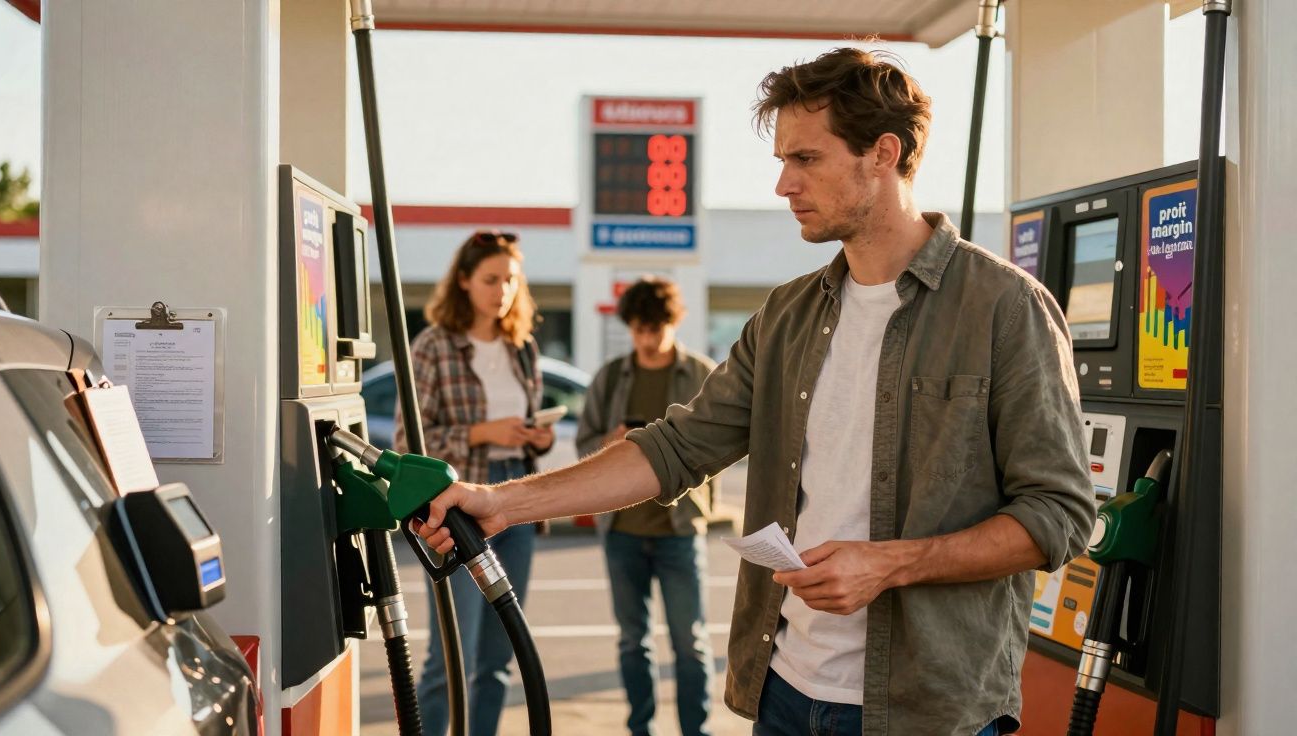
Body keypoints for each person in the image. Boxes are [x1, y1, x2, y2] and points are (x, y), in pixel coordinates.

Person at [415, 48, 1094, 736]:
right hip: (784, 693)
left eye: (806, 159)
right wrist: (502, 503)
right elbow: (675, 448)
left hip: (928, 710)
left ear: (883, 154)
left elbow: (1060, 514)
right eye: (782, 160)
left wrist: (891, 564)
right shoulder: (786, 316)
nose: (783, 184)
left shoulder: (1004, 308)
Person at [395, 230, 554, 736]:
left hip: (516, 499)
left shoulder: (522, 347)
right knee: (451, 656)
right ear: (463, 281)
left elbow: (524, 427)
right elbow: (408, 442)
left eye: (510, 279)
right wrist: (482, 433)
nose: (502, 290)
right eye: (490, 279)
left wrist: (538, 439)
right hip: (456, 508)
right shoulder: (433, 346)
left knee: (498, 657)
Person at [576, 276, 718, 736]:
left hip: (680, 529)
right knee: (632, 642)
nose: (648, 338)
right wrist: (611, 443)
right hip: (622, 530)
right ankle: (642, 729)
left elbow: (723, 445)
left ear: (674, 322)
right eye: (639, 329)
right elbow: (584, 446)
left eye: (656, 328)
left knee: (690, 643)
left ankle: (696, 731)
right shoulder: (611, 377)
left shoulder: (700, 374)